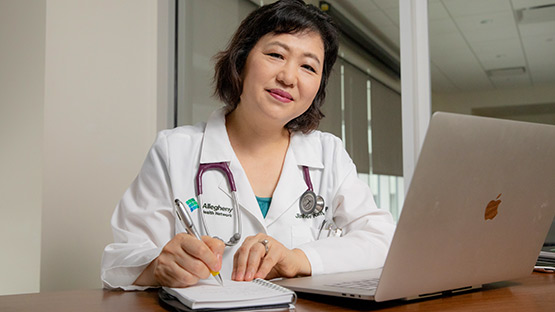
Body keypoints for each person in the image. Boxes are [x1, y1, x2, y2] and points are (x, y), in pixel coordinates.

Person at [101, 0, 395, 290]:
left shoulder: (328, 154)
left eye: (308, 66)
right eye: (276, 55)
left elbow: (381, 239)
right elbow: (121, 260)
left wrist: (299, 259)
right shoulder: (175, 151)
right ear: (241, 60)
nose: (288, 77)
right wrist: (158, 266)